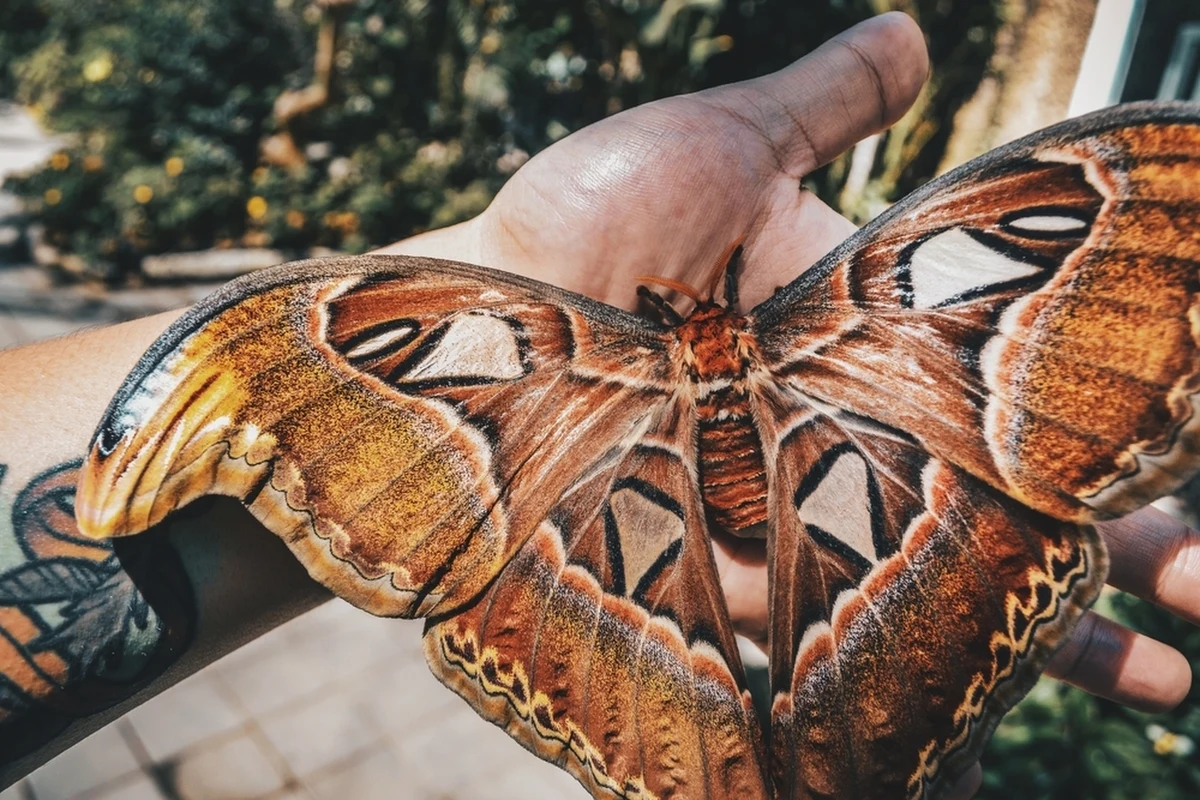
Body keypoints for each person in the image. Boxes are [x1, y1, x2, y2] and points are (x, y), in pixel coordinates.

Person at [0, 12, 1195, 798]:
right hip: (838, 471)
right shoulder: (832, 308)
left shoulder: (570, 353)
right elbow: (304, 354)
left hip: (684, 485)